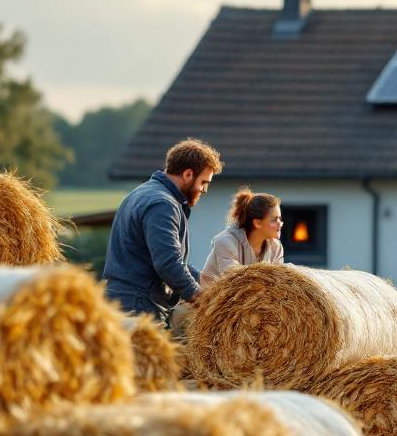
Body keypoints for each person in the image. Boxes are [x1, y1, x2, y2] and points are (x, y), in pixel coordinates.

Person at [103, 138, 222, 327]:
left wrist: (212, 284)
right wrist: (202, 299)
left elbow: (173, 261)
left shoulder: (141, 193)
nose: (204, 190)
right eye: (204, 182)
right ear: (188, 174)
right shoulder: (163, 205)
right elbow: (168, 262)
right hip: (138, 307)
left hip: (126, 302)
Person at [200, 188, 285, 286]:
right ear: (257, 223)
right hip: (212, 299)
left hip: (254, 299)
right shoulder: (225, 242)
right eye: (274, 220)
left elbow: (278, 283)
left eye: (280, 219)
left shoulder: (276, 247)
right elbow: (236, 281)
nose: (280, 224)